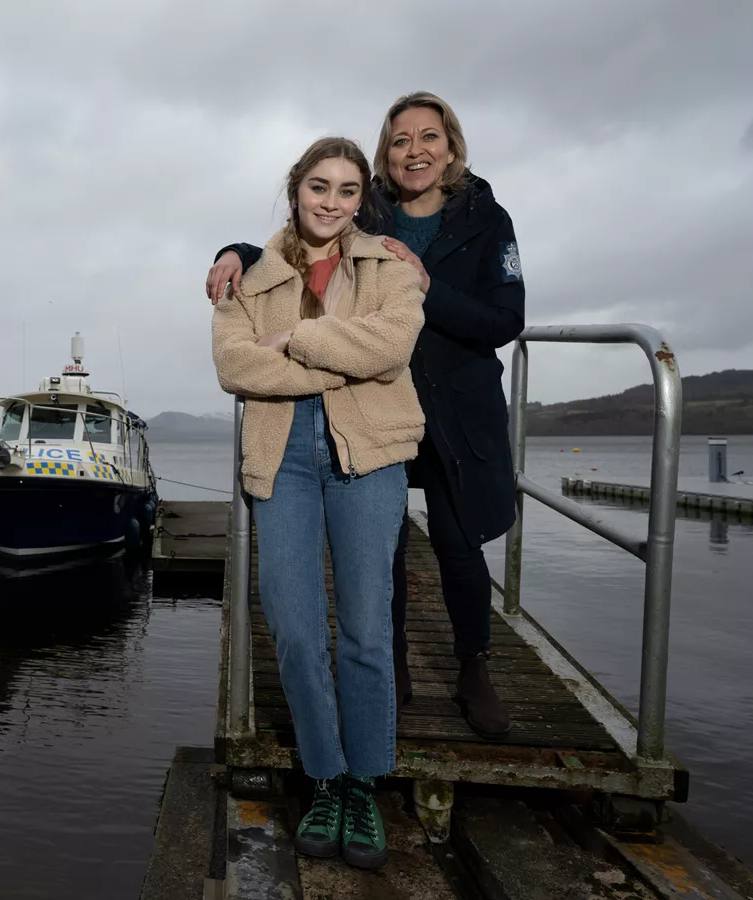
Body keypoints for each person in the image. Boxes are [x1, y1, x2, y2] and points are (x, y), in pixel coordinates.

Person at [205, 92, 523, 740]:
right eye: (401, 140)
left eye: (429, 137)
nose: (415, 151)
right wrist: (236, 250)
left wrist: (428, 290)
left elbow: (505, 320)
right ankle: (393, 663)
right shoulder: (369, 206)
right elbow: (307, 231)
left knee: (459, 541)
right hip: (369, 399)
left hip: (455, 402)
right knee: (385, 547)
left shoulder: (487, 219)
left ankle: (474, 666)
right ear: (386, 153)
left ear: (451, 149)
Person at [211, 136, 425, 868]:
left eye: (347, 190)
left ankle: (364, 783)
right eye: (318, 187)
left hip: (369, 453)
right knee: (296, 628)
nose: (331, 203)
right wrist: (340, 360)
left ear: (362, 198)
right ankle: (326, 776)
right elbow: (234, 365)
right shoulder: (245, 276)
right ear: (295, 188)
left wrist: (296, 338)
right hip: (283, 458)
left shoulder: (390, 265)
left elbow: (391, 348)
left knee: (365, 628)